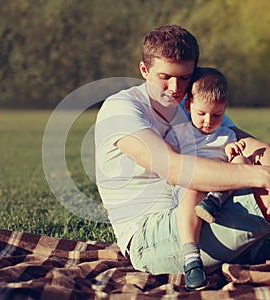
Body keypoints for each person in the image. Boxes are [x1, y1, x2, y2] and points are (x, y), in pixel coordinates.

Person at [94, 24, 270, 291]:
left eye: (185, 78)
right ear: (144, 70)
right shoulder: (121, 109)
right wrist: (260, 175)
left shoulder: (194, 106)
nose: (175, 88)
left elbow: (246, 144)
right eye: (165, 77)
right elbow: (175, 168)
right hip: (149, 238)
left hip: (209, 210)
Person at [166, 66, 252, 290]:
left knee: (244, 163)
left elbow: (235, 164)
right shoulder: (180, 132)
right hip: (192, 186)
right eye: (201, 114)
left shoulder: (226, 134)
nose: (208, 121)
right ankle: (191, 258)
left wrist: (233, 151)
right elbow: (168, 162)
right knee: (194, 186)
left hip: (221, 188)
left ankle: (216, 199)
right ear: (188, 106)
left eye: (217, 115)